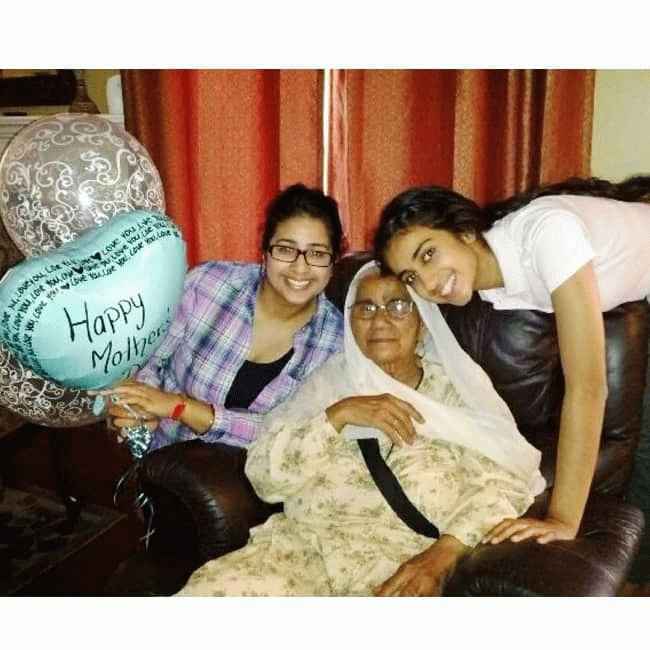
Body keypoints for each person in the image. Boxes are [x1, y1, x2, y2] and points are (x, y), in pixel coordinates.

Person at [176, 263, 544, 596]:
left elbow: (505, 483)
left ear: (422, 323)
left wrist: (441, 557)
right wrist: (337, 416)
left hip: (398, 565)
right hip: (298, 553)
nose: (380, 320)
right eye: (365, 308)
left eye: (397, 306)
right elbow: (265, 479)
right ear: (351, 323)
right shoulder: (327, 384)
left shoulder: (456, 390)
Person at [373, 177, 650, 569]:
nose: (428, 283)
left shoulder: (547, 235)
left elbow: (588, 387)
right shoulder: (490, 288)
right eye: (411, 276)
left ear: (466, 232)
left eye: (428, 254)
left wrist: (561, 519)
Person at [103, 183, 344, 455]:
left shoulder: (336, 345)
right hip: (161, 458)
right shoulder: (208, 284)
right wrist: (139, 407)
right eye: (286, 249)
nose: (300, 267)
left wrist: (182, 408)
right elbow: (150, 359)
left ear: (334, 261)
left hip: (247, 477)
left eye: (317, 254)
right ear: (264, 252)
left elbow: (293, 434)